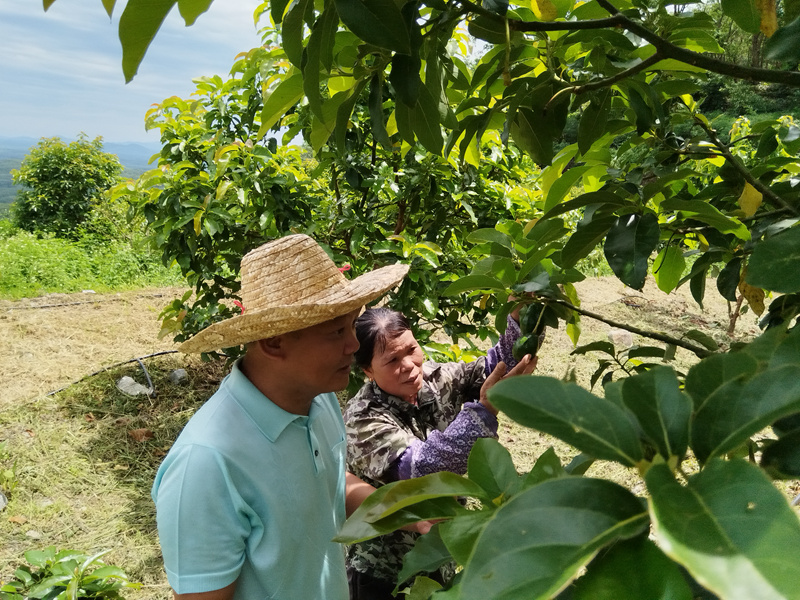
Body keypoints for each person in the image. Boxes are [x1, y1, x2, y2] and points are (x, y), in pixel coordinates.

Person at [151, 234, 409, 600]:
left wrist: (408, 508)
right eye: (336, 331)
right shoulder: (206, 462)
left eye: (352, 325)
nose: (354, 345)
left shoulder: (319, 402)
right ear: (274, 343)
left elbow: (328, 485)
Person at [343, 306, 537, 598]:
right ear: (368, 370)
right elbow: (425, 469)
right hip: (384, 570)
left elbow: (496, 369)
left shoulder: (436, 377)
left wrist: (523, 320)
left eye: (411, 349)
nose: (409, 365)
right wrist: (484, 411)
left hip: (441, 556)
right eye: (392, 360)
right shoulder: (363, 418)